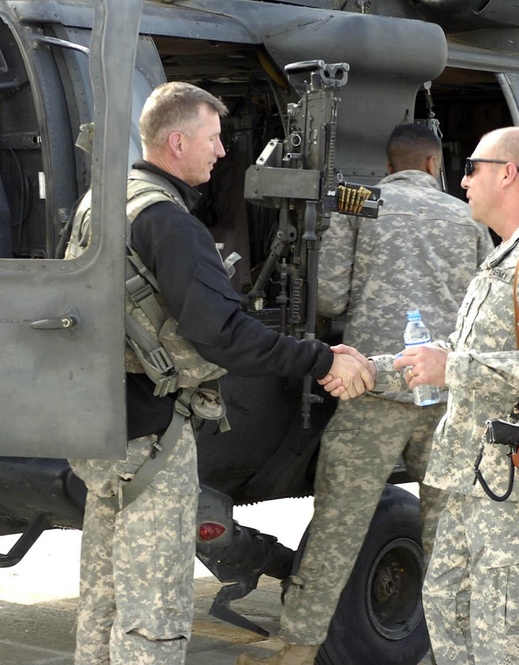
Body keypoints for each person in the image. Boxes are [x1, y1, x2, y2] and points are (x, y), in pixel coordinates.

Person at [65, 81, 374, 665]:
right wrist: (323, 357)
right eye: (213, 139)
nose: (223, 151)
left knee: (105, 589)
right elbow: (224, 335)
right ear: (177, 141)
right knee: (153, 604)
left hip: (101, 423)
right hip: (152, 432)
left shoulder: (104, 203)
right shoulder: (168, 222)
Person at [237, 123, 493, 665]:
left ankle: (297, 649)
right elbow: (487, 311)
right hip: (443, 395)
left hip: (369, 388)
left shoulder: (362, 204)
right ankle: (463, 647)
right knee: (451, 530)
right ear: (431, 165)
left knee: (337, 526)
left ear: (389, 163)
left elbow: (327, 297)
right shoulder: (467, 216)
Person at [358, 126, 519, 663]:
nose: (461, 181)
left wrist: (453, 367)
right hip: (478, 488)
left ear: (508, 172)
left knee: (507, 647)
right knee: (450, 618)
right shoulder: (503, 258)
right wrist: (372, 369)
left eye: (472, 167)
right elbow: (453, 358)